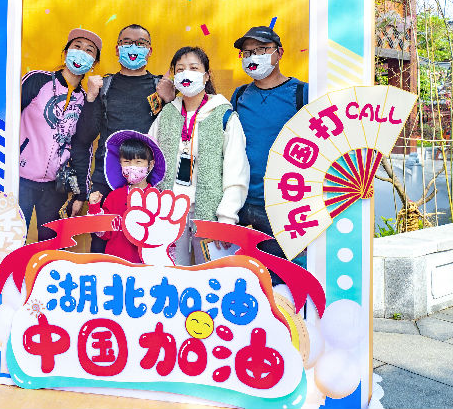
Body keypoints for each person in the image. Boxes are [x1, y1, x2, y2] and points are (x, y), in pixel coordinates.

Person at [70, 24, 175, 253]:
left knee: (145, 250)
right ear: (117, 49)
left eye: (140, 43)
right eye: (127, 42)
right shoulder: (104, 86)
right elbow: (85, 136)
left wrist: (169, 100)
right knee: (101, 250)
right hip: (106, 182)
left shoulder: (160, 86)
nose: (133, 47)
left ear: (150, 50)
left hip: (147, 183)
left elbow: (174, 136)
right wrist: (91, 97)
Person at [148, 46, 249, 266]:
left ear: (206, 75)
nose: (186, 74)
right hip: (169, 210)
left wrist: (227, 218)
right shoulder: (167, 113)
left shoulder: (224, 115)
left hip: (210, 212)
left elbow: (237, 170)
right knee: (171, 272)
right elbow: (150, 158)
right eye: (180, 69)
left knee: (210, 274)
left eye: (194, 68)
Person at [231, 25, 308, 279]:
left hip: (284, 206)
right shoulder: (239, 95)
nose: (253, 57)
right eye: (247, 52)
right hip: (243, 205)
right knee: (246, 281)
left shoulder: (302, 93)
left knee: (284, 283)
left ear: (279, 53)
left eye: (262, 49)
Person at [19, 28, 103, 242]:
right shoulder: (38, 80)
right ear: (65, 53)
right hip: (19, 179)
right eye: (77, 47)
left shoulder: (86, 99)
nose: (81, 52)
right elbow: (6, 118)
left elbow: (83, 146)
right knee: (12, 239)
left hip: (55, 186)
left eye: (89, 50)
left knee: (51, 245)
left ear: (94, 63)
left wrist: (80, 194)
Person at [87, 130, 166, 263]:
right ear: (120, 164)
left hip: (146, 266)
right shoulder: (114, 196)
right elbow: (104, 233)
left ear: (150, 164)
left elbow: (163, 236)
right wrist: (94, 207)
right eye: (127, 161)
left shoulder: (158, 198)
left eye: (138, 161)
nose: (132, 167)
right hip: (116, 265)